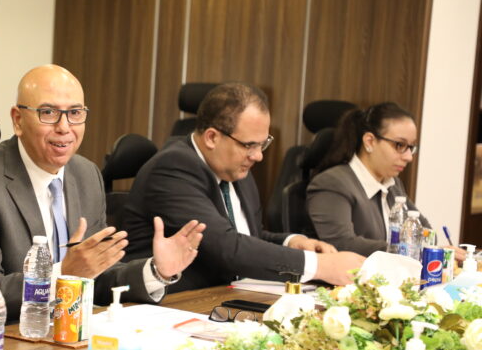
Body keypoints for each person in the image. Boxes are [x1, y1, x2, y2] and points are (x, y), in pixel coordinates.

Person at [0, 65, 205, 335]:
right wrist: (63, 274)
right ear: (18, 120)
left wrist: (157, 271)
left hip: (65, 333)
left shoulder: (86, 174)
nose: (64, 128)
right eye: (48, 113)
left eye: (75, 113)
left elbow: (98, 276)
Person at [123, 82, 364, 292]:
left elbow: (247, 236)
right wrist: (320, 266)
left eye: (262, 144)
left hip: (226, 297)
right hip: (173, 304)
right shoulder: (173, 168)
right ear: (212, 137)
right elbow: (226, 247)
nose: (258, 156)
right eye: (249, 145)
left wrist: (291, 242)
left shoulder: (235, 167)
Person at [307, 102, 461, 260]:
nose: (409, 157)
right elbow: (342, 244)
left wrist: (435, 251)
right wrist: (405, 250)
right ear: (370, 141)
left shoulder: (393, 184)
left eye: (411, 147)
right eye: (399, 145)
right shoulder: (332, 183)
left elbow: (426, 233)